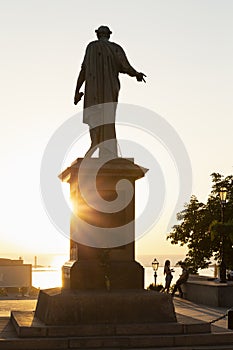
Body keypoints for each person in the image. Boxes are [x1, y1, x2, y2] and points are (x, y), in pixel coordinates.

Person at [74, 25, 146, 157]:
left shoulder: (91, 47)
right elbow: (126, 66)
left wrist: (77, 91)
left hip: (94, 91)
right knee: (108, 118)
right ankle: (103, 148)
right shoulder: (115, 48)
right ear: (109, 35)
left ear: (98, 34)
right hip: (109, 90)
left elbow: (83, 70)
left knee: (95, 117)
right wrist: (136, 74)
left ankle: (96, 144)